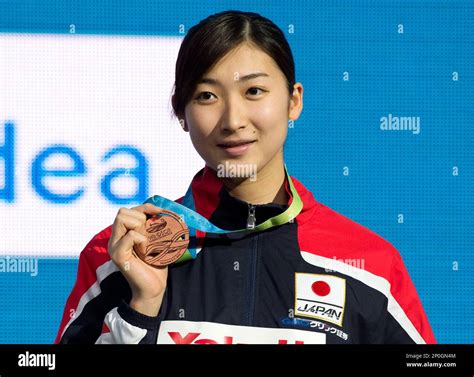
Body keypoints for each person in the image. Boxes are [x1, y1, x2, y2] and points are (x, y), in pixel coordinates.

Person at [55, 10, 435, 344]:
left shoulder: (369, 265)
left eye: (254, 90)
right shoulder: (121, 253)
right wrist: (142, 311)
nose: (233, 120)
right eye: (206, 96)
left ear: (294, 101)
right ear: (181, 113)